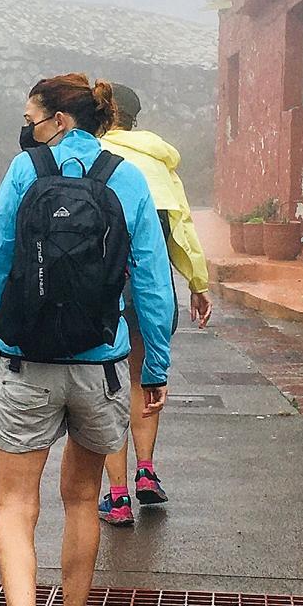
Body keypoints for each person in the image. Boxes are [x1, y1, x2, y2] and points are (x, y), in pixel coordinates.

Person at [0, 73, 174, 606]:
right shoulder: (126, 179)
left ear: (58, 120)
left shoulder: (25, 171)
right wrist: (153, 366)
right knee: (82, 498)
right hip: (99, 369)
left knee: (15, 504)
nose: (28, 126)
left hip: (26, 363)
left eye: (32, 115)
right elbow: (151, 283)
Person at [98, 84, 212, 525]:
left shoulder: (93, 156)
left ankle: (119, 495)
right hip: (154, 285)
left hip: (106, 285)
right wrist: (198, 284)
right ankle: (146, 472)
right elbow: (181, 228)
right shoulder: (161, 164)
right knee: (146, 378)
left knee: (108, 386)